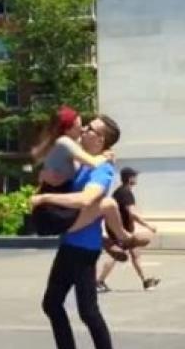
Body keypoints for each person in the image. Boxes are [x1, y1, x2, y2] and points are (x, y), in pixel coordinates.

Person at [30, 115, 125, 349]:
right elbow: (60, 169)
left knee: (88, 312)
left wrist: (44, 198)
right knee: (52, 303)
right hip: (70, 244)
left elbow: (85, 200)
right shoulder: (86, 163)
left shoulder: (102, 172)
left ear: (101, 138)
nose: (84, 130)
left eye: (91, 129)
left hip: (84, 248)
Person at [30, 106, 146, 258]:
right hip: (57, 221)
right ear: (69, 128)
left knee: (106, 204)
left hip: (75, 236)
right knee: (107, 204)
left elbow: (85, 197)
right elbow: (91, 164)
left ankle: (114, 240)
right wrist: (106, 155)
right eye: (81, 125)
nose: (83, 128)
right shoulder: (68, 144)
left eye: (88, 127)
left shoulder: (79, 149)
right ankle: (120, 239)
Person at [97, 167, 160, 292]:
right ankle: (99, 282)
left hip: (121, 229)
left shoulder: (121, 191)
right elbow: (132, 213)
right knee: (116, 255)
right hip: (120, 230)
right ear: (130, 178)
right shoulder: (125, 192)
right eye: (135, 176)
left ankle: (146, 281)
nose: (136, 179)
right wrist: (148, 225)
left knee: (135, 253)